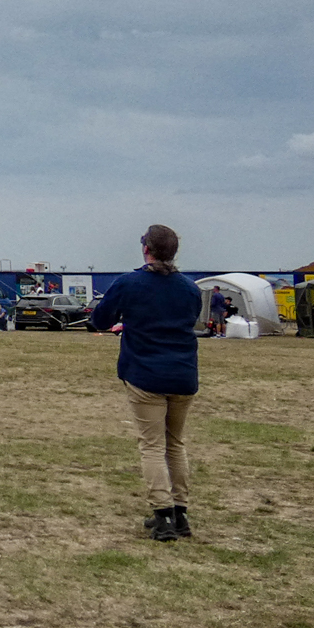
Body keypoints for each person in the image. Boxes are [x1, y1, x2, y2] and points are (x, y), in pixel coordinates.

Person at [88, 225, 201, 542]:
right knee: (175, 443)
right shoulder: (190, 288)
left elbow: (100, 319)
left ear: (146, 249)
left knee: (151, 445)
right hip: (183, 374)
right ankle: (180, 512)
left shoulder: (129, 283)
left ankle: (162, 514)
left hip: (145, 374)